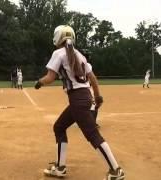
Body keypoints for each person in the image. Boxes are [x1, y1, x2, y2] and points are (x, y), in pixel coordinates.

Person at [34, 25, 125, 180]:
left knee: (92, 135)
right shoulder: (80, 55)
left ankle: (116, 171)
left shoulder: (59, 53)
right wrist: (97, 98)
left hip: (77, 100)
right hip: (84, 97)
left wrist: (39, 82)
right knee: (59, 126)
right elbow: (94, 80)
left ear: (58, 38)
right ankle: (60, 167)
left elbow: (50, 77)